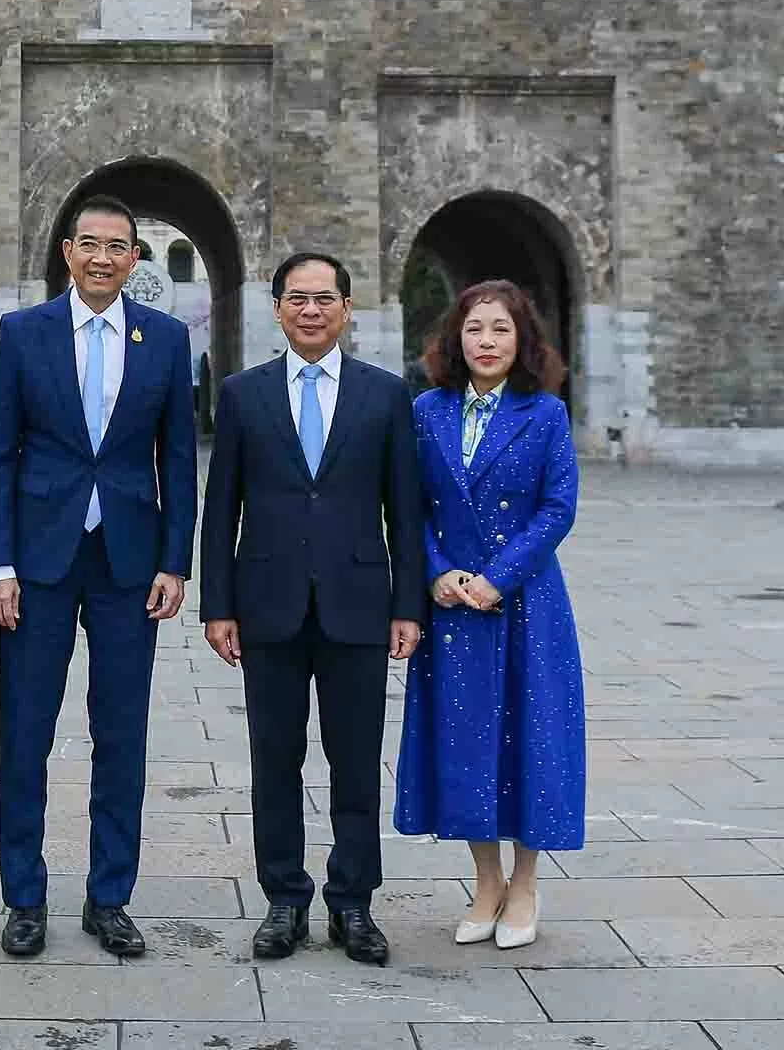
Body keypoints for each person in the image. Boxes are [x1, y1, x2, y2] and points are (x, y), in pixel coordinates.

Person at [0, 194, 198, 961]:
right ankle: (24, 896)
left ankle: (110, 896)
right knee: (26, 732)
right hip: (37, 561)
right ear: (67, 252)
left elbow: (179, 458)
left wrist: (177, 560)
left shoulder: (166, 340)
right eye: (91, 245)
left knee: (122, 733)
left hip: (128, 563)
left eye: (119, 247)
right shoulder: (24, 334)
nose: (104, 258)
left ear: (136, 259)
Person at [200, 252, 426, 966]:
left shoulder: (386, 396)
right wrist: (218, 604)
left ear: (347, 308)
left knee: (356, 761)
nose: (310, 310)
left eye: (324, 298)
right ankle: (284, 901)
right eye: (296, 298)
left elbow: (405, 510)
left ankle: (353, 904)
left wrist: (408, 605)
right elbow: (220, 507)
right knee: (275, 758)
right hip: (266, 605)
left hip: (360, 605)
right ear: (276, 308)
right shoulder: (243, 395)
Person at [394, 280, 586, 951]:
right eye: (475, 328)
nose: (486, 341)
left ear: (522, 339)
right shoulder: (427, 411)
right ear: (456, 337)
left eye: (500, 329)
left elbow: (558, 507)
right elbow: (407, 503)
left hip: (526, 601)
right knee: (466, 740)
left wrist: (499, 578)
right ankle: (487, 881)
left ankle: (526, 883)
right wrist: (437, 571)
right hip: (451, 605)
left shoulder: (546, 414)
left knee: (532, 737)